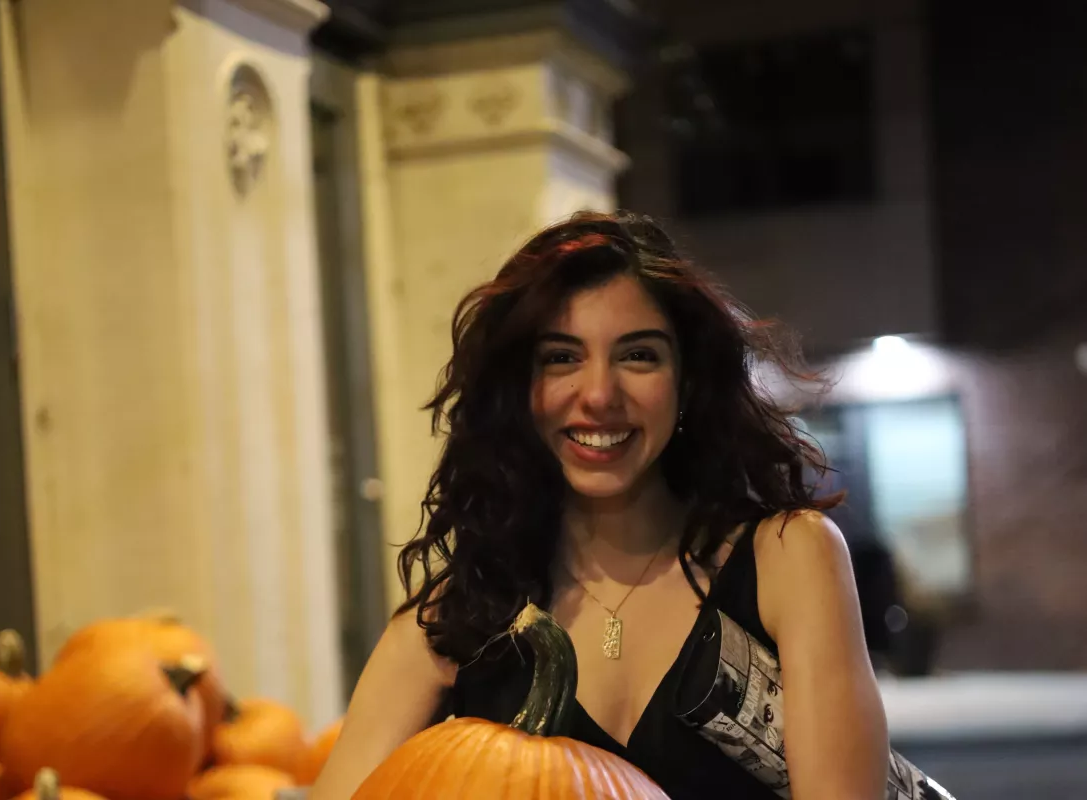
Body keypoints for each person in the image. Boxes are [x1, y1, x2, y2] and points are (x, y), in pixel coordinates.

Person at [312, 211, 890, 799]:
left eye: (638, 356)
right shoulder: (454, 620)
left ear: (686, 382)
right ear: (520, 390)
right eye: (561, 357)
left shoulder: (790, 559)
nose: (598, 396)